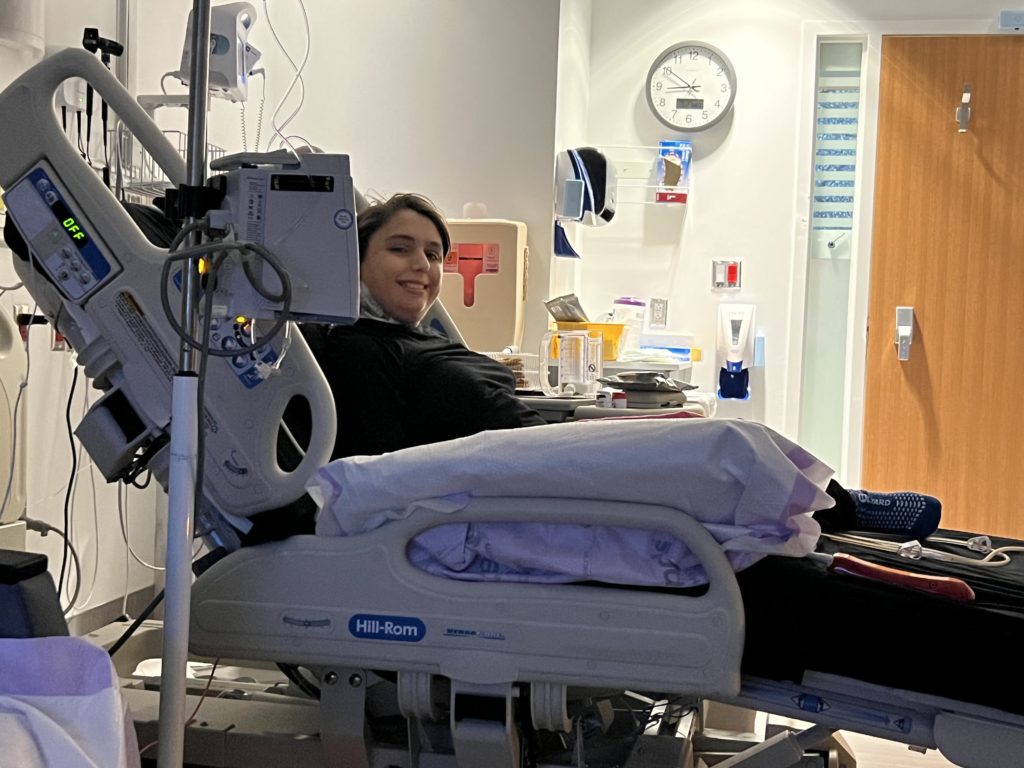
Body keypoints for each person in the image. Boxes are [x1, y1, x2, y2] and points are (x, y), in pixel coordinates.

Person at [247, 192, 940, 543]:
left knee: (701, 438)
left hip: (521, 461)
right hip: (504, 483)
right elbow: (375, 469)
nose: (424, 268)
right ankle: (839, 509)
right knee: (725, 443)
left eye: (434, 254)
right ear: (355, 261)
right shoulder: (350, 350)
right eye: (402, 248)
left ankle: (824, 511)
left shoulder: (407, 337)